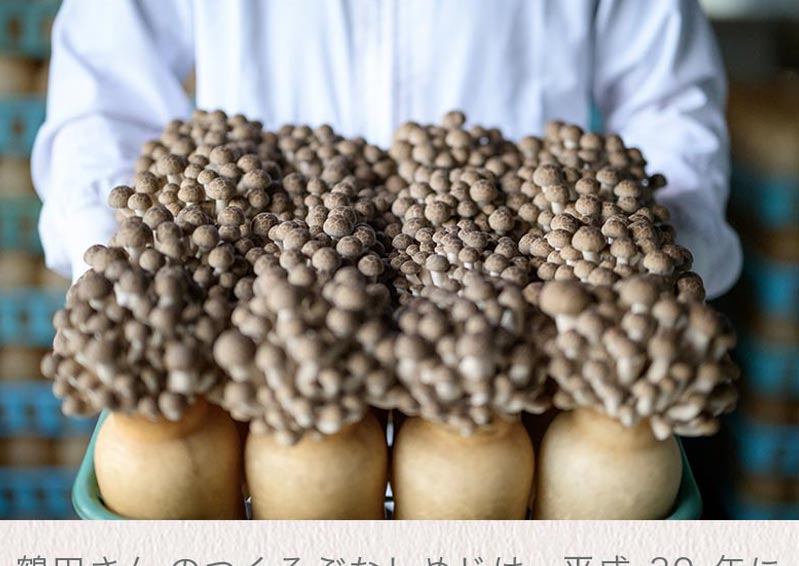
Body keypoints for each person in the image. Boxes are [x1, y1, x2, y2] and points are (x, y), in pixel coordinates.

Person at [32, 0, 741, 296]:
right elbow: (102, 91)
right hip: (259, 325)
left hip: (530, 323)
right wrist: (139, 270)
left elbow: (669, 102)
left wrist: (639, 257)